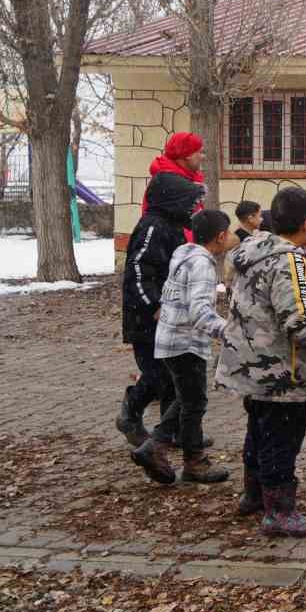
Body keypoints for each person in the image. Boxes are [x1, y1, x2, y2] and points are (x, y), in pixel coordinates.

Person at [216, 187, 306, 538]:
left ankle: (254, 495)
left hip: (252, 365)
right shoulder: (291, 261)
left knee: (260, 431)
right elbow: (298, 320)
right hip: (283, 371)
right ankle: (279, 509)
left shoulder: (250, 252)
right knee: (281, 437)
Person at [135, 210, 236, 486]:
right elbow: (200, 311)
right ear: (220, 236)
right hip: (185, 342)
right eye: (228, 233)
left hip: (169, 338)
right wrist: (230, 332)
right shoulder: (203, 264)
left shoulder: (184, 253)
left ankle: (162, 449)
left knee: (187, 399)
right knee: (193, 403)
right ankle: (188, 460)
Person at [115, 171, 205, 468]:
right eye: (188, 201)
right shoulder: (153, 227)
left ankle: (171, 435)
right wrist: (153, 305)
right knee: (158, 376)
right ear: (172, 200)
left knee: (173, 381)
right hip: (146, 319)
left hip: (167, 315)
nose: (193, 207)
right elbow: (139, 271)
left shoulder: (174, 226)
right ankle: (130, 414)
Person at [142, 132, 206, 220]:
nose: (203, 157)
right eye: (200, 152)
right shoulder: (170, 184)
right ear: (188, 154)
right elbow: (188, 225)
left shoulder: (182, 178)